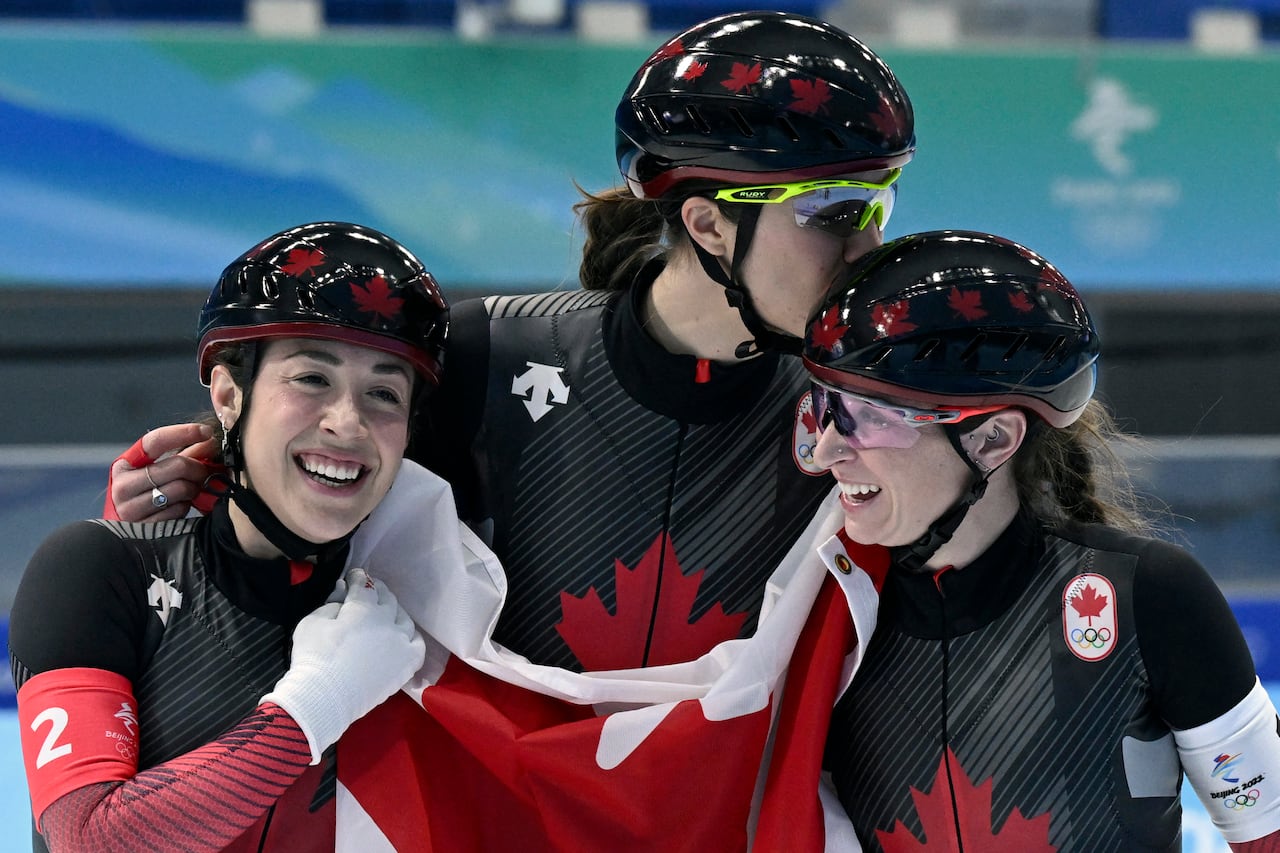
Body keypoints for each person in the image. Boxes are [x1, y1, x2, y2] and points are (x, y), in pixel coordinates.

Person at [95, 11, 916, 848]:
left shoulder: (865, 411)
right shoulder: (494, 354)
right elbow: (310, 495)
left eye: (884, 202)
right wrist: (212, 474)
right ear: (708, 224)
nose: (872, 244)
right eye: (837, 209)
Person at [801, 229, 1280, 851]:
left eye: (870, 417)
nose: (827, 448)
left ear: (994, 440)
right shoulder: (819, 608)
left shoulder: (1148, 597)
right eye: (825, 407)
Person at [8, 222, 447, 852]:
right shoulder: (93, 568)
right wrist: (311, 709)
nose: (348, 423)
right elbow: (88, 839)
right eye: (311, 379)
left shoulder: (435, 609)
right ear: (228, 393)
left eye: (383, 393)